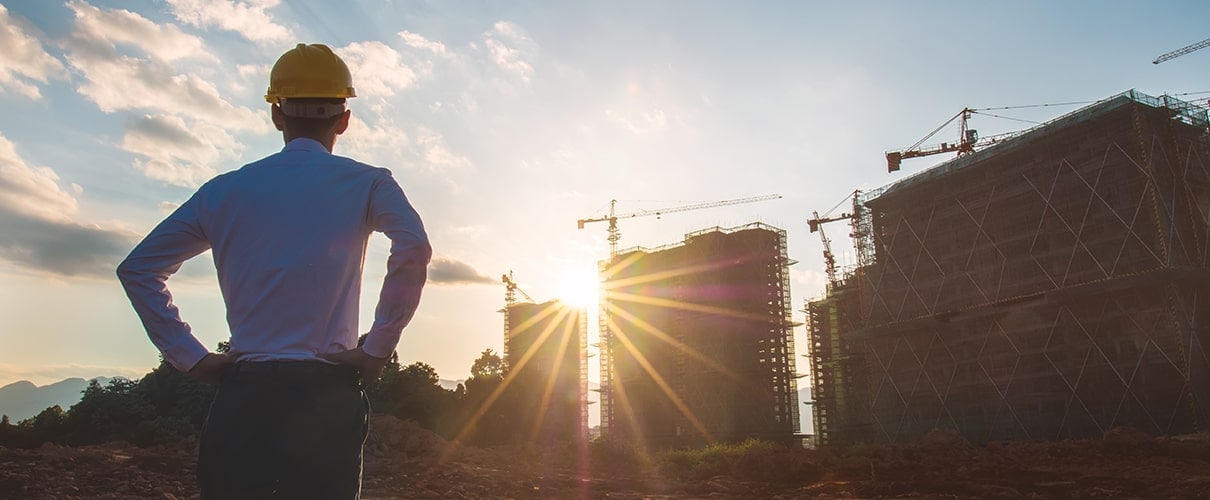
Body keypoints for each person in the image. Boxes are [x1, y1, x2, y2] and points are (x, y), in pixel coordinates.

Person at [116, 43, 432, 499]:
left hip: (245, 395)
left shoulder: (222, 192)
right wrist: (378, 346)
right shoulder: (369, 183)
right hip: (328, 396)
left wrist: (191, 356)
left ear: (276, 115)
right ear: (343, 119)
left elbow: (139, 269)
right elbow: (414, 246)